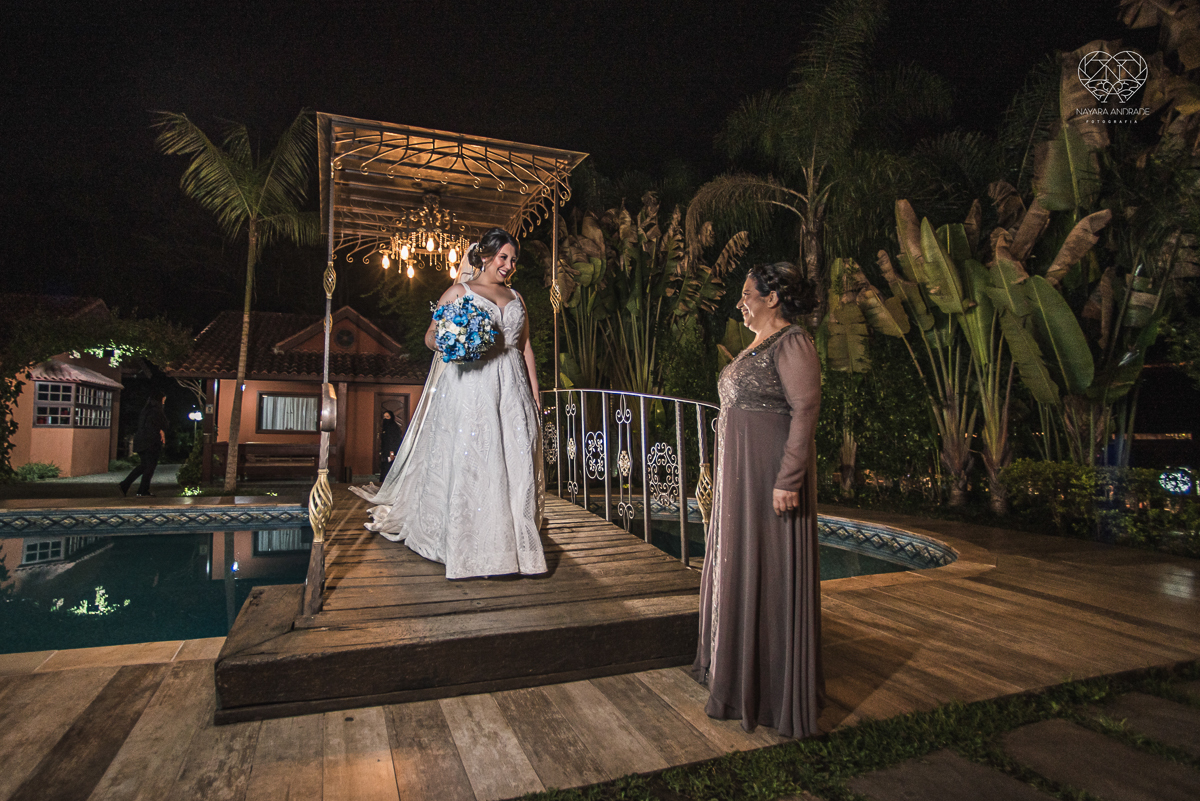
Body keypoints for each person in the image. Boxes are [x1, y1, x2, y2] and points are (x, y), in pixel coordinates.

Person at [350, 228, 546, 579]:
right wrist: (453, 339)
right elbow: (430, 336)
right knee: (476, 460)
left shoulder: (517, 296)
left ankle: (514, 546)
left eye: (513, 260)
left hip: (512, 388)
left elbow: (525, 346)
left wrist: (534, 393)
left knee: (516, 461)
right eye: (503, 257)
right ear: (485, 256)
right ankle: (472, 546)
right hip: (473, 387)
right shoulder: (459, 292)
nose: (509, 265)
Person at [693, 261, 823, 739]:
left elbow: (805, 410)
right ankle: (733, 674)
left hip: (768, 476)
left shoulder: (792, 342)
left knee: (767, 571)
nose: (740, 302)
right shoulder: (757, 346)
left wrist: (789, 478)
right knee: (739, 565)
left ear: (773, 298)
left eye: (747, 294)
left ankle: (770, 689)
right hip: (741, 478)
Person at [120, 390, 169, 497]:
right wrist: (161, 433)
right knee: (150, 467)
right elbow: (163, 424)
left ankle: (126, 484)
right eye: (163, 400)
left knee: (144, 465)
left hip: (141, 440)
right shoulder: (157, 411)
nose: (163, 403)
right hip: (151, 442)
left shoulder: (146, 410)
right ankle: (142, 490)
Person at [379, 409, 404, 481]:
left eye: (387, 416)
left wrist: (392, 452)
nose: (385, 418)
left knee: (388, 467)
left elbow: (394, 440)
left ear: (391, 417)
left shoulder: (393, 427)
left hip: (391, 451)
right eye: (384, 417)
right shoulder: (386, 427)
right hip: (386, 451)